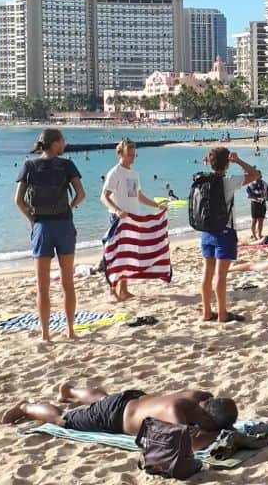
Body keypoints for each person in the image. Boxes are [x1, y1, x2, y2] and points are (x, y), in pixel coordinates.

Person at [1, 383, 238, 451]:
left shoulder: (199, 395)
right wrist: (216, 433)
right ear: (207, 419)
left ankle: (71, 390)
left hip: (132, 398)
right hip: (114, 418)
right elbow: (190, 446)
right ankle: (26, 407)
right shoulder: (176, 413)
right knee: (64, 419)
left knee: (102, 400)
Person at [14, 129, 86, 342]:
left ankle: (46, 335)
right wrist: (71, 206)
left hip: (42, 227)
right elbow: (81, 194)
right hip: (64, 225)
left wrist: (32, 222)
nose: (64, 143)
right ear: (54, 144)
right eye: (62, 140)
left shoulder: (29, 165)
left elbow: (18, 200)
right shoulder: (66, 165)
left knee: (42, 286)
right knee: (67, 282)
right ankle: (70, 330)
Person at [101, 139, 165, 301]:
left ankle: (124, 289)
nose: (132, 158)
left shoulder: (135, 174)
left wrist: (156, 205)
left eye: (134, 155)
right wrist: (117, 210)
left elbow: (139, 196)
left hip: (133, 218)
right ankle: (112, 290)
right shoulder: (114, 172)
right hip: (118, 218)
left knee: (128, 255)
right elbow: (104, 196)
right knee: (116, 253)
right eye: (129, 155)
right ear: (120, 154)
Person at [200, 148, 258, 322]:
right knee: (221, 275)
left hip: (206, 231)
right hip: (224, 232)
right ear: (226, 164)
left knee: (207, 273)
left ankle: (206, 312)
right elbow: (255, 174)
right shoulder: (228, 182)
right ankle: (223, 314)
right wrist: (238, 161)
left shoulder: (201, 182)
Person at [245, 169, 268, 241]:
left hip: (262, 203)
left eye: (259, 175)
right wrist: (257, 198)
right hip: (254, 203)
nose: (258, 177)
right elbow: (248, 196)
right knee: (254, 220)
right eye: (256, 175)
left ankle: (259, 234)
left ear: (261, 176)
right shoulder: (250, 185)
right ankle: (254, 235)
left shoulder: (265, 184)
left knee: (261, 220)